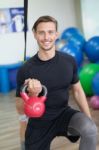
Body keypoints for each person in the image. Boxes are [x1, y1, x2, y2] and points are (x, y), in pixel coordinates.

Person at [15, 15, 97, 150]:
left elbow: (77, 90)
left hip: (63, 115)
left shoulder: (69, 61)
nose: (46, 37)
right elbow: (19, 107)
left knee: (90, 129)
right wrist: (32, 95)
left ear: (56, 34)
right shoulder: (26, 69)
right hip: (39, 123)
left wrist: (88, 118)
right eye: (41, 32)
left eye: (50, 32)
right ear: (35, 34)